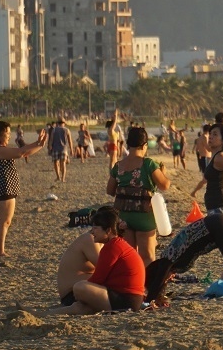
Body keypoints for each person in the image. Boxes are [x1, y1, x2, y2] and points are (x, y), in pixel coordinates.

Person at [144, 213, 223, 310]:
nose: (170, 278)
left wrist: (148, 301)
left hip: (217, 225)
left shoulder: (166, 260)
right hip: (217, 225)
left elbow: (158, 281)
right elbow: (160, 280)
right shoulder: (168, 260)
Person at [47, 207, 145, 315]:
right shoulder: (119, 244)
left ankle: (50, 313)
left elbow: (99, 278)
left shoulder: (111, 247)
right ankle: (50, 313)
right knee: (84, 307)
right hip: (131, 298)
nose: (92, 231)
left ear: (108, 230)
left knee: (80, 287)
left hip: (125, 300)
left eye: (95, 228)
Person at [107, 126, 171, 266]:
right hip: (144, 217)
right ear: (145, 145)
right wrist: (163, 172)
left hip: (124, 217)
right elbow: (165, 185)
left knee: (129, 256)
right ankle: (147, 286)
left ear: (128, 144)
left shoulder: (118, 166)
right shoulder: (148, 164)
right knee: (147, 257)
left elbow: (110, 190)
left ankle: (132, 284)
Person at [0, 121, 48, 258]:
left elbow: (24, 152)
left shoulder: (3, 148)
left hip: (7, 189)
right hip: (3, 189)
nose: (9, 136)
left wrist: (39, 144)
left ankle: (0, 250)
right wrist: (37, 143)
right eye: (6, 133)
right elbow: (21, 153)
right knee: (3, 222)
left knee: (6, 222)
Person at [57, 230, 102, 306]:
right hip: (72, 295)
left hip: (82, 289)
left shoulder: (103, 241)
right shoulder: (89, 239)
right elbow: (105, 268)